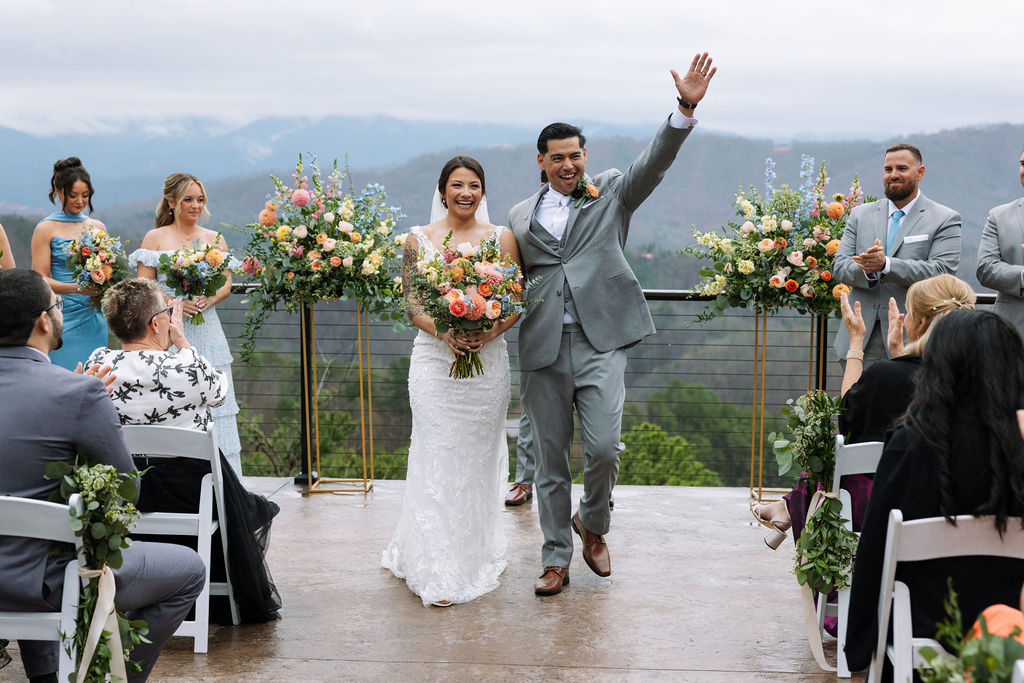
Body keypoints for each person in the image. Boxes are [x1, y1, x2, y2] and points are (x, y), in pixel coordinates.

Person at [508, 54, 716, 596]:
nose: (568, 165)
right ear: (541, 161)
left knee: (603, 449)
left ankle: (593, 525)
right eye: (558, 158)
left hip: (602, 341)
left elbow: (654, 163)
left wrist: (685, 108)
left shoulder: (612, 193)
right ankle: (555, 558)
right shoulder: (517, 215)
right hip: (542, 346)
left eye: (576, 155)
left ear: (584, 156)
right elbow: (506, 278)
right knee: (550, 461)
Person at [0, 269, 205, 683]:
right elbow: (127, 490)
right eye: (57, 306)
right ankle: (111, 678)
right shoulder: (78, 392)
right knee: (190, 570)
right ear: (43, 321)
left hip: (19, 568)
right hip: (45, 581)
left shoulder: (74, 388)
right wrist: (80, 408)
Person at [86, 278, 281, 624]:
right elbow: (219, 393)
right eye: (166, 312)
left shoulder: (99, 362)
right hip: (188, 495)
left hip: (125, 494)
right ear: (157, 323)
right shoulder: (187, 368)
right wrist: (184, 342)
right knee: (234, 491)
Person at [845, 310, 1024, 673]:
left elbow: (875, 550)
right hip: (1012, 634)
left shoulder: (911, 446)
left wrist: (860, 644)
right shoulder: (1018, 447)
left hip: (922, 633)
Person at [381, 156, 522, 607]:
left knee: (476, 460)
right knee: (437, 452)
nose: (466, 193)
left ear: (483, 191)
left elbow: (515, 302)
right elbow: (412, 304)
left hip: (487, 362)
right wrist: (444, 331)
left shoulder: (501, 238)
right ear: (442, 190)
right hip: (433, 363)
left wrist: (489, 330)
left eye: (474, 185)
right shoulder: (417, 239)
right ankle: (437, 565)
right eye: (457, 185)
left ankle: (472, 555)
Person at [753, 274, 976, 547]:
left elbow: (847, 417)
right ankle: (786, 507)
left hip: (882, 512)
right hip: (958, 512)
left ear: (919, 323)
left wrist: (856, 342)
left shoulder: (885, 376)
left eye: (910, 313)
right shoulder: (980, 383)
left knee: (838, 460)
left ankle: (789, 507)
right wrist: (899, 354)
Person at [131, 173, 243, 476]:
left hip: (207, 328)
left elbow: (227, 283)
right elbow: (144, 284)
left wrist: (208, 298)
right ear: (172, 202)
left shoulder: (214, 238)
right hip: (166, 329)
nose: (196, 205)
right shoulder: (155, 237)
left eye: (200, 199)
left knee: (216, 402)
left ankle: (225, 484)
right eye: (189, 199)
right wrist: (173, 300)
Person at [832, 143, 961, 364]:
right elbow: (839, 266)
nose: (893, 175)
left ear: (920, 173)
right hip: (859, 338)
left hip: (914, 338)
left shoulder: (945, 218)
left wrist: (887, 265)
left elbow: (941, 271)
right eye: (888, 169)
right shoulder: (859, 215)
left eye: (902, 168)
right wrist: (868, 271)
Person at [30, 157, 109, 371]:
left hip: (93, 317)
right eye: (73, 195)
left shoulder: (97, 226)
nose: (80, 201)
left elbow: (108, 270)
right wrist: (77, 288)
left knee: (96, 377)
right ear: (58, 191)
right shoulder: (45, 228)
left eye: (85, 195)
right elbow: (40, 278)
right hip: (61, 317)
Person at [976, 146, 1024, 339]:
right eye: (1022, 164)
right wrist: (1021, 276)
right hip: (1011, 337)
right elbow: (985, 268)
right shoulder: (999, 216)